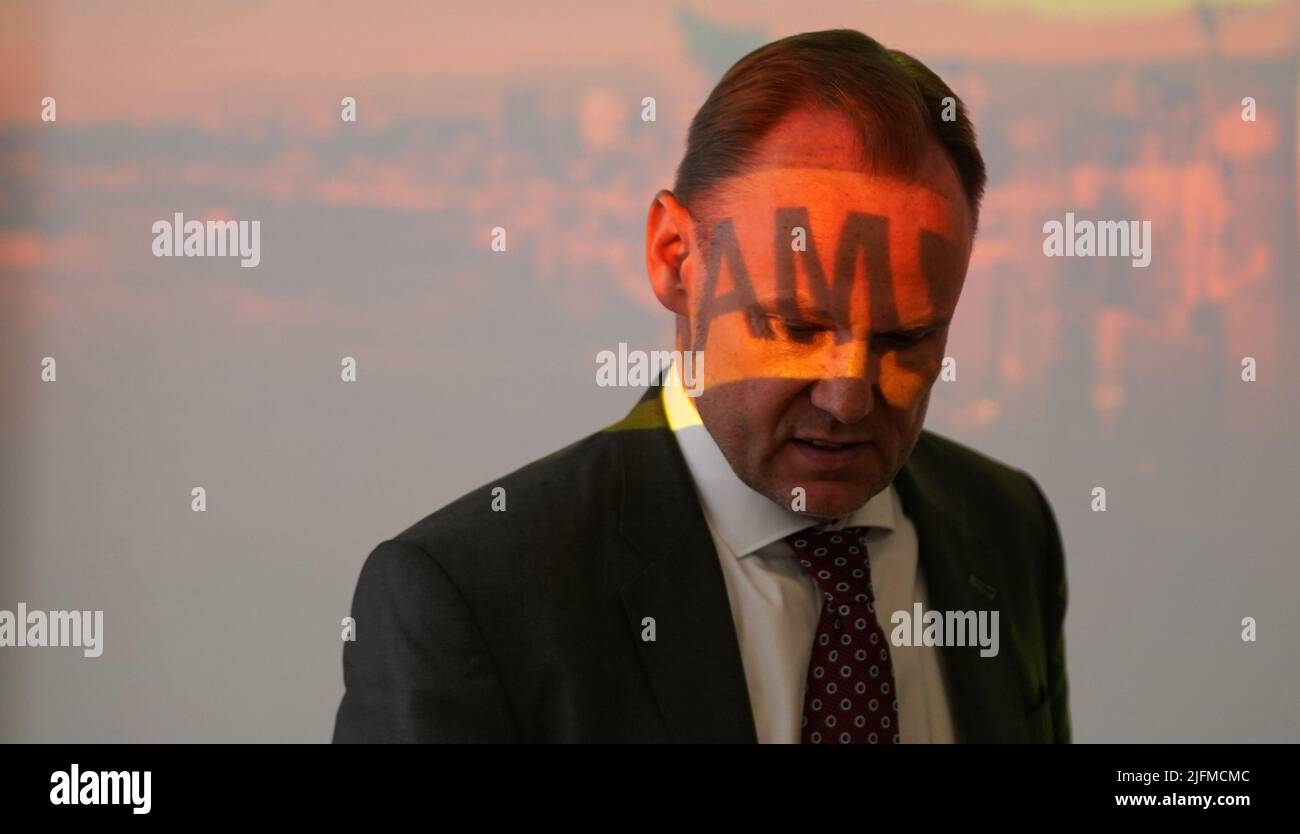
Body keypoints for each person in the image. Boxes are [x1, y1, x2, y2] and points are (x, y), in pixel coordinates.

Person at [333, 28, 1070, 744]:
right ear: (674, 257)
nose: (847, 400)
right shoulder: (469, 600)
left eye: (906, 339)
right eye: (796, 328)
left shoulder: (1008, 527)